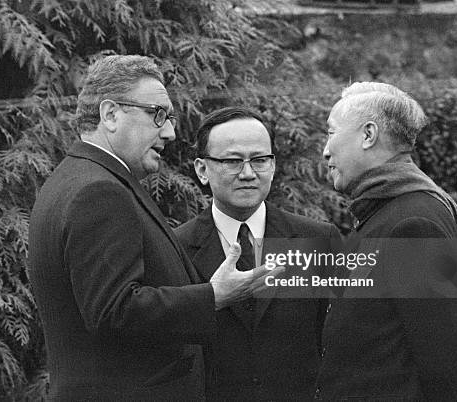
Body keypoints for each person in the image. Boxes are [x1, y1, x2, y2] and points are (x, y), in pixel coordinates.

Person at [28, 56, 277, 401]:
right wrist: (214, 295)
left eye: (170, 118)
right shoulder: (99, 191)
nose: (170, 133)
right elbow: (116, 312)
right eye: (157, 114)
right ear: (110, 114)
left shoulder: (78, 178)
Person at [316, 82, 457, 400]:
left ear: (368, 135)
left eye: (330, 133)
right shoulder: (383, 212)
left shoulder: (414, 223)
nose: (326, 150)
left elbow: (445, 364)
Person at [174, 107, 339, 401]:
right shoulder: (176, 247)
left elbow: (338, 341)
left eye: (260, 160)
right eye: (233, 161)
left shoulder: (317, 239)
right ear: (201, 170)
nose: (248, 173)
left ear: (273, 166)